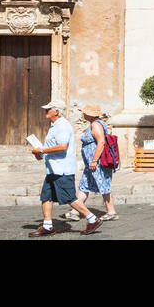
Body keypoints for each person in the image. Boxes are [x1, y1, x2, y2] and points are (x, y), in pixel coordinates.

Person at [28, 101, 101, 236]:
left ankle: (92, 219)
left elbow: (62, 146)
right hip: (53, 169)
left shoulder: (62, 125)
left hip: (62, 169)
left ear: (56, 111)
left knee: (69, 198)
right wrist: (38, 152)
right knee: (46, 196)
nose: (46, 111)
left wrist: (42, 150)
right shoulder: (54, 126)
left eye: (48, 109)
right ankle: (48, 226)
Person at [64, 102, 116, 222]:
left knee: (103, 184)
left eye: (85, 113)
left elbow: (101, 142)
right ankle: (75, 211)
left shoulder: (96, 125)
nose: (83, 114)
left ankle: (111, 211)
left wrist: (94, 160)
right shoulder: (93, 124)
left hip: (96, 163)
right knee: (84, 185)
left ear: (90, 115)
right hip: (91, 164)